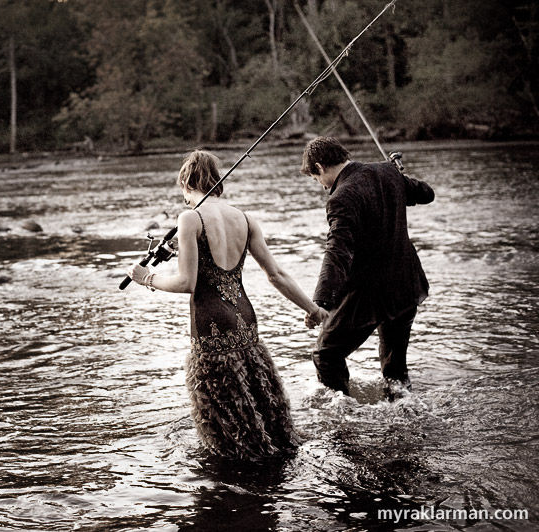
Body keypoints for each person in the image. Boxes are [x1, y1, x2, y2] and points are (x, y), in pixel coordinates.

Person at [128, 150, 328, 460]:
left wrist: (147, 279)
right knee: (264, 404)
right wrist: (311, 309)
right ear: (217, 181)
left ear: (185, 182)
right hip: (246, 322)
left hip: (211, 328)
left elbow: (187, 283)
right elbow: (276, 275)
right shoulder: (246, 219)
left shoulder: (190, 218)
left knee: (225, 431)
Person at [301, 137, 434, 398]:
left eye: (316, 179)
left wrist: (321, 303)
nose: (321, 185)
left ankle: (342, 417)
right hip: (406, 285)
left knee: (326, 354)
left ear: (319, 166)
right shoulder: (386, 172)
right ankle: (402, 418)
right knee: (395, 370)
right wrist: (397, 176)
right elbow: (426, 193)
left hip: (369, 292)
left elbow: (337, 251)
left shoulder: (342, 197)